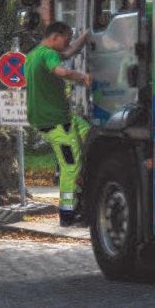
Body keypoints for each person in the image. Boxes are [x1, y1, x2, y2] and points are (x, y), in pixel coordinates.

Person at [25, 21, 93, 226]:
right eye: (66, 38)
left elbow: (69, 52)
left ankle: (85, 175)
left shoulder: (34, 54)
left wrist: (86, 36)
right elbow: (61, 71)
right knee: (70, 167)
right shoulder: (49, 55)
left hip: (58, 119)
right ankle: (67, 213)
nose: (68, 42)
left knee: (89, 131)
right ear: (54, 37)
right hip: (56, 123)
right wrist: (83, 77)